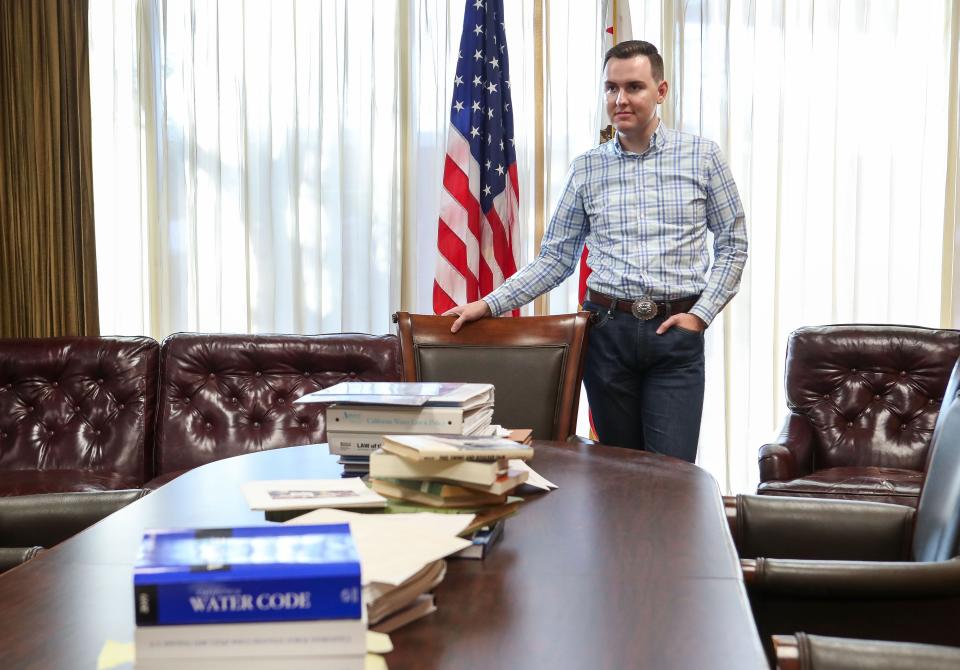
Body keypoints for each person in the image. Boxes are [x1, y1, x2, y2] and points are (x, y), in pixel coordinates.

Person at [444, 40, 747, 463]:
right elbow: (556, 258)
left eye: (634, 87)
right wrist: (490, 304)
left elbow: (734, 244)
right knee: (618, 475)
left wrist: (701, 314)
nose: (620, 99)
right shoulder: (587, 167)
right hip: (607, 336)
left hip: (675, 339)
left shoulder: (702, 156)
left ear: (661, 91)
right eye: (611, 88)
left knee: (673, 476)